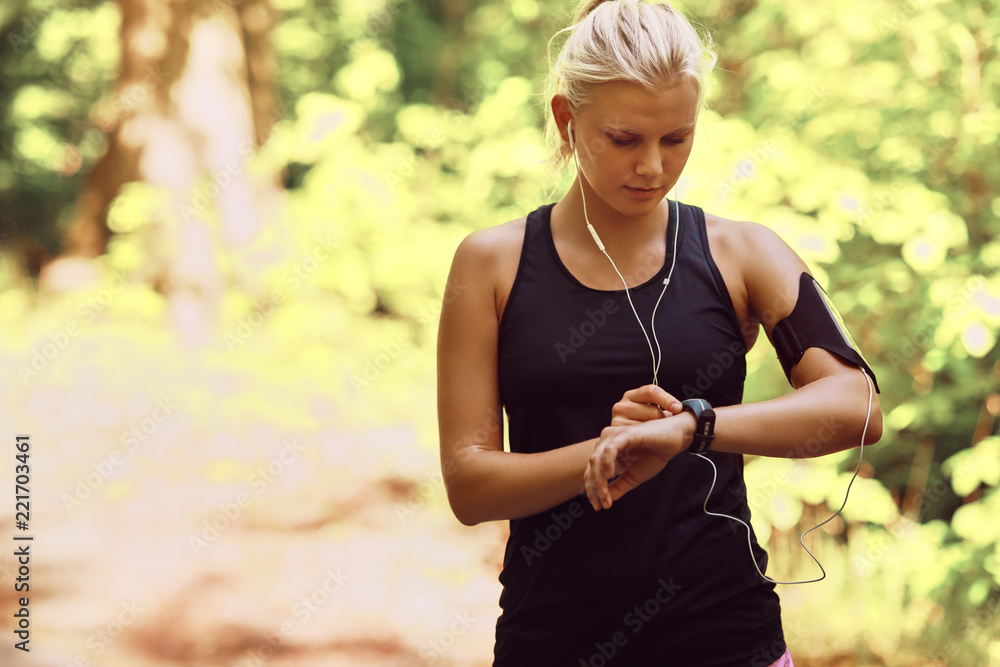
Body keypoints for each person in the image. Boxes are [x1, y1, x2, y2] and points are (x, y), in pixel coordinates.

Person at [436, 1, 883, 664]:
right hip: (552, 639)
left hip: (727, 637)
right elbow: (470, 483)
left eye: (677, 138)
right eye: (625, 139)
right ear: (566, 118)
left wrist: (691, 428)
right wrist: (610, 452)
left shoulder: (744, 253)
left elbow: (859, 403)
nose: (652, 166)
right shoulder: (491, 265)